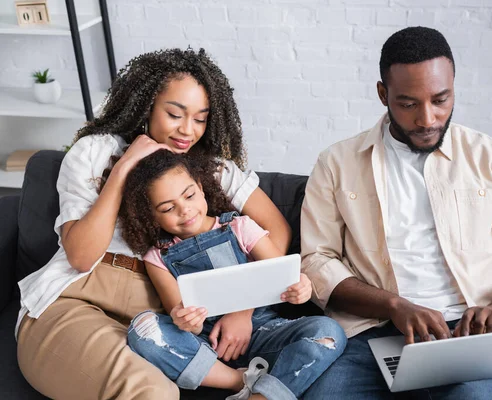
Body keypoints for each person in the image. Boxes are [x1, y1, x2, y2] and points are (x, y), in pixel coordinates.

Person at [300, 26, 492, 399]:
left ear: (454, 88)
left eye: (441, 100)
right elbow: (316, 260)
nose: (428, 119)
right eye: (408, 103)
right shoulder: (336, 164)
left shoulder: (490, 157)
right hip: (373, 332)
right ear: (383, 94)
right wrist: (395, 306)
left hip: (470, 335)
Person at [16, 48, 294, 400]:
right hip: (78, 299)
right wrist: (123, 169)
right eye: (175, 114)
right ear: (147, 106)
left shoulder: (213, 171)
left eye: (200, 119)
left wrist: (243, 308)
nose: (187, 131)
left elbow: (277, 231)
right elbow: (81, 257)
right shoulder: (97, 152)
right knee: (151, 393)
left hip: (161, 322)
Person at [118, 149, 346, 399]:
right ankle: (239, 381)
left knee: (328, 333)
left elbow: (281, 275)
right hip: (206, 347)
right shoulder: (157, 256)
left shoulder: (239, 227)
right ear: (152, 216)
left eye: (190, 195)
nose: (185, 210)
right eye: (168, 208)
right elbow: (179, 314)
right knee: (143, 328)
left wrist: (300, 287)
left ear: (202, 189)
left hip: (263, 332)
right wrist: (186, 321)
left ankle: (264, 396)